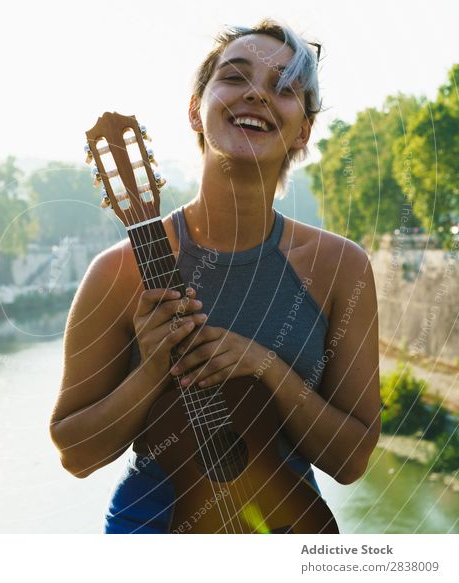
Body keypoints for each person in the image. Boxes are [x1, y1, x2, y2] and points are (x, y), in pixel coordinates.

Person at [49, 19, 381, 533]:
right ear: (194, 111)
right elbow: (76, 454)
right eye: (234, 77)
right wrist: (153, 369)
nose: (256, 94)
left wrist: (267, 367)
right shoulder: (118, 271)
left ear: (304, 130)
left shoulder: (341, 268)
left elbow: (352, 461)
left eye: (284, 87)